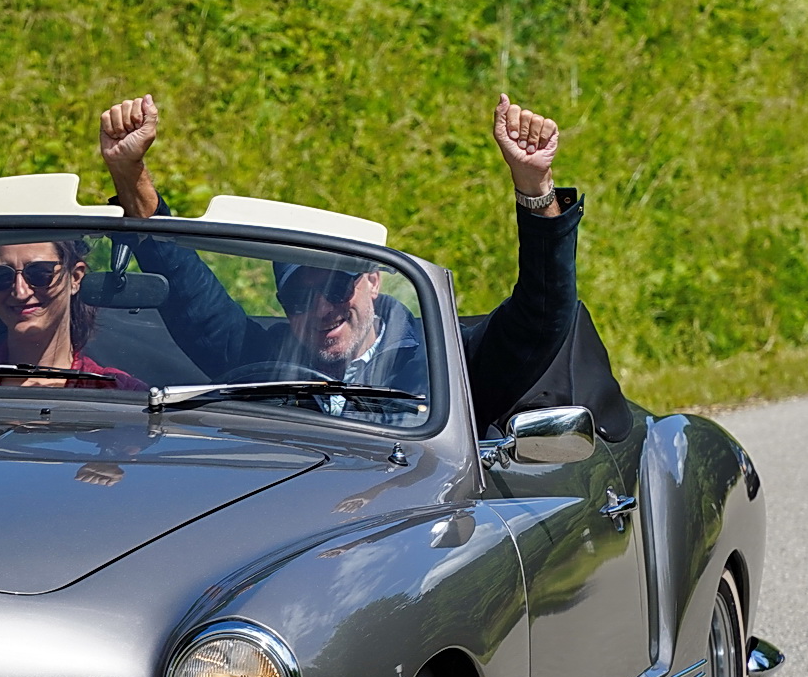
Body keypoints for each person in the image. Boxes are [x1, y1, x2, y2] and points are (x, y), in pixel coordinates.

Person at [97, 93, 583, 430]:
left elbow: (542, 316)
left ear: (373, 281)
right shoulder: (258, 359)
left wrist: (535, 190)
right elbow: (186, 287)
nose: (322, 308)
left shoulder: (446, 363)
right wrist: (129, 171)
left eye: (335, 288)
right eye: (299, 297)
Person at [0, 239, 145, 390]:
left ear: (75, 278)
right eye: (1, 276)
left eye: (39, 273)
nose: (20, 292)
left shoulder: (115, 391)